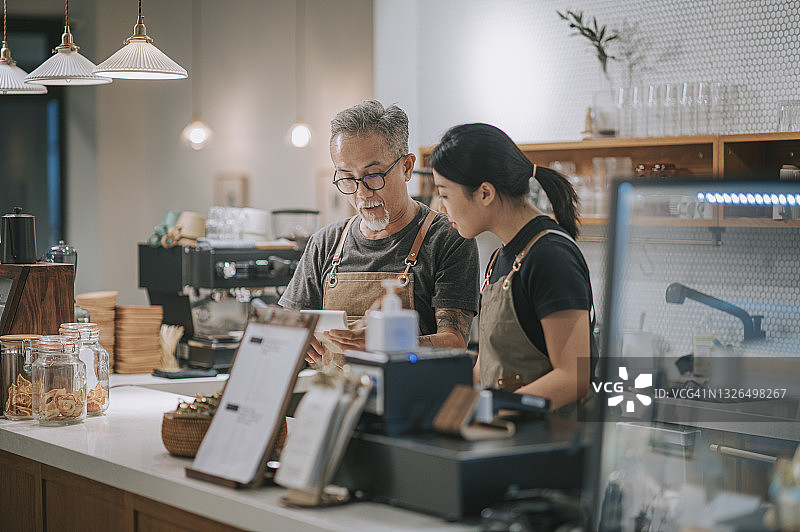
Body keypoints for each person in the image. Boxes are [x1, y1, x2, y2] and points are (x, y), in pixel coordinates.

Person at [279, 100, 480, 364]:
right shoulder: (325, 243)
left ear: (407, 167)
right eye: (347, 178)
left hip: (412, 400)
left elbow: (454, 343)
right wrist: (294, 336)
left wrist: (386, 340)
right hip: (334, 399)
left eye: (373, 175)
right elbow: (284, 324)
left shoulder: (447, 239)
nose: (362, 193)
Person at [430, 123, 596, 415]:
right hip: (510, 440)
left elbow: (574, 378)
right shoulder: (499, 258)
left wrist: (490, 408)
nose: (442, 208)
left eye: (445, 195)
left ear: (484, 193)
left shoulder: (550, 257)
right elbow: (485, 369)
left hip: (551, 446)